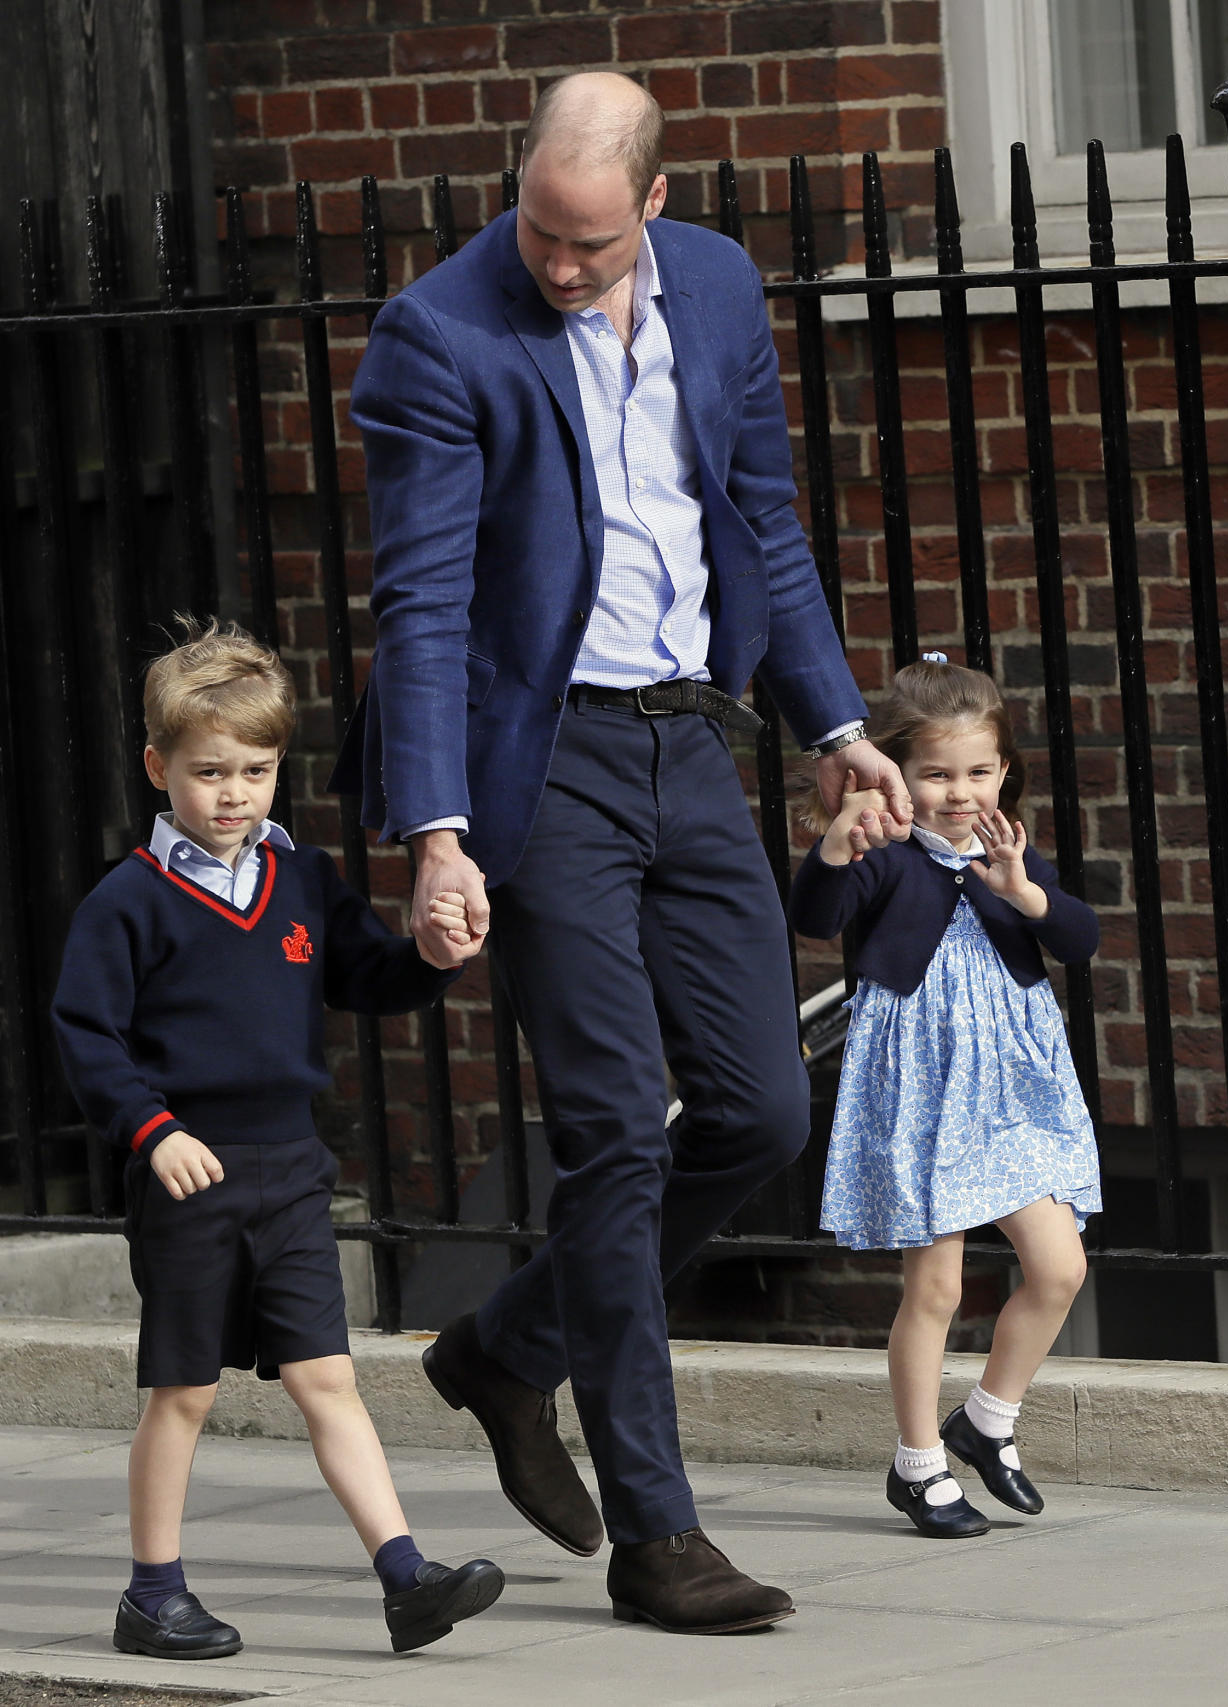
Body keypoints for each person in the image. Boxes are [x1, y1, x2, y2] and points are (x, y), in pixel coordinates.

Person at [335, 70, 909, 1632]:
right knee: (615, 1135)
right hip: (545, 765)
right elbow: (429, 602)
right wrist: (440, 834)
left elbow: (763, 518)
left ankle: (505, 1347)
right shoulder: (442, 332)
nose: (560, 265)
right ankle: (659, 1533)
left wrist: (837, 722)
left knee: (760, 1104)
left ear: (654, 202)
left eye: (590, 242)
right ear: (519, 186)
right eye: (539, 228)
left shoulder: (717, 285)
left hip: (690, 739)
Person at [51, 619, 505, 1659]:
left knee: (326, 1379)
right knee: (186, 1391)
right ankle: (151, 1593)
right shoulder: (127, 902)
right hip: (188, 1174)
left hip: (293, 1173)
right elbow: (86, 1035)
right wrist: (150, 1129)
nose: (234, 793)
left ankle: (405, 1576)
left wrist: (432, 955)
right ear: (159, 767)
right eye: (209, 771)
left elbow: (369, 979)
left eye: (255, 770)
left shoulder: (303, 882)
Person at [789, 653, 1102, 1539]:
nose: (959, 792)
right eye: (936, 773)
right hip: (922, 1091)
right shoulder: (886, 856)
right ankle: (920, 1463)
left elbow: (1080, 937)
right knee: (935, 1287)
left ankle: (989, 1420)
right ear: (899, 771)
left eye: (977, 770)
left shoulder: (1007, 849)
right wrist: (837, 840)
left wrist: (1026, 892)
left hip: (1012, 1089)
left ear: (1004, 769)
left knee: (1059, 1265)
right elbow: (814, 914)